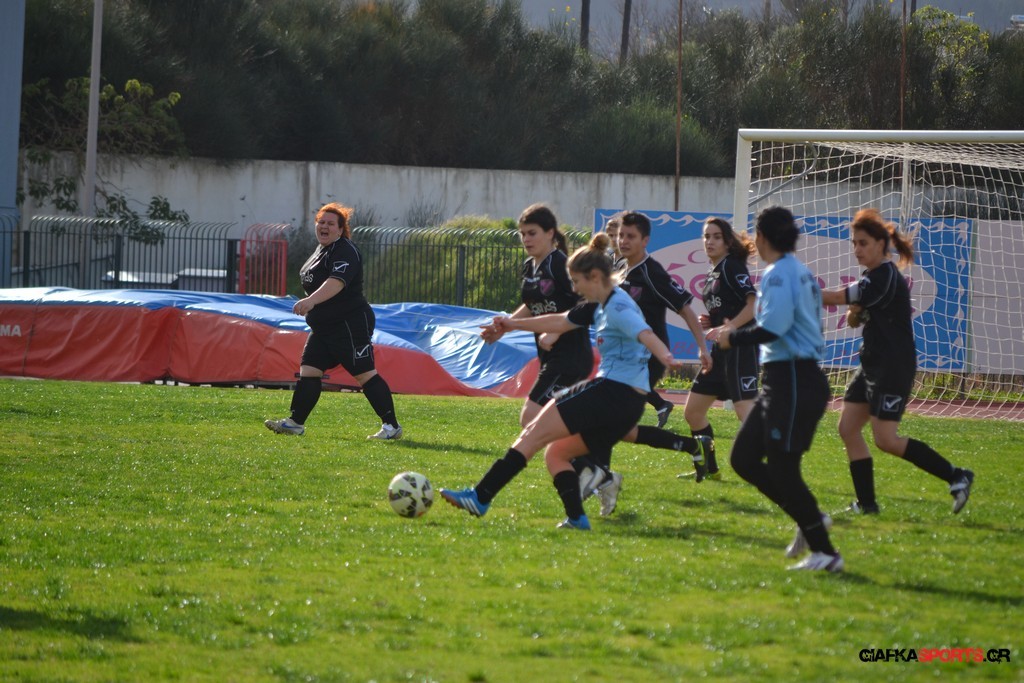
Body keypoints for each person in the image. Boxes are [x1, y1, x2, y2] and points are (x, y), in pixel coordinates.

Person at [440, 232, 686, 531]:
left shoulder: (617, 307)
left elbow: (644, 332)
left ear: (594, 277)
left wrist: (665, 355)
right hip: (627, 402)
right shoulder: (602, 302)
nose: (574, 288)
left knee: (532, 433)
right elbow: (561, 320)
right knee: (557, 454)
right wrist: (512, 323)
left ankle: (480, 497)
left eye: (577, 281)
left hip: (613, 393)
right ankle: (577, 519)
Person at [707, 206, 842, 572]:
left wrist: (732, 337)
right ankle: (809, 517)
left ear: (762, 237)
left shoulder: (780, 274)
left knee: (783, 469)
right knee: (743, 459)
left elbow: (774, 329)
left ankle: (825, 551)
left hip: (795, 379)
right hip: (783, 380)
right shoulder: (795, 270)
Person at [820, 208, 974, 515]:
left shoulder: (884, 277)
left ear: (881, 244)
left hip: (892, 366)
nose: (857, 249)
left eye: (863, 243)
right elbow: (853, 318)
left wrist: (798, 288)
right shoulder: (871, 277)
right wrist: (856, 312)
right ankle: (867, 504)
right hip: (871, 364)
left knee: (886, 440)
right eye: (854, 243)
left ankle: (957, 476)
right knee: (848, 428)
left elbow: (837, 298)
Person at [264, 202, 403, 440]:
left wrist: (311, 301)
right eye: (321, 222)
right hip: (323, 327)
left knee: (364, 374)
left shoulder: (345, 250)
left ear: (341, 229)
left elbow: (336, 282)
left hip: (349, 323)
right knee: (309, 371)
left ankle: (392, 427)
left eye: (330, 223)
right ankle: (295, 423)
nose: (324, 226)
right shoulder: (321, 250)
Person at [480, 204, 594, 430]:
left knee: (531, 417)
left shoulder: (560, 264)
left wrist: (556, 331)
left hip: (571, 357)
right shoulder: (529, 267)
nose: (526, 239)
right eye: (522, 234)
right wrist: (504, 327)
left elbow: (587, 302)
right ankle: (591, 448)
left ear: (550, 233)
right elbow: (533, 304)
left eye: (532, 233)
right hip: (550, 356)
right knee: (561, 423)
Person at [678, 217, 760, 481]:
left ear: (727, 242)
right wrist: (712, 321)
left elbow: (753, 305)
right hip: (720, 352)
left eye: (716, 236)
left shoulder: (732, 266)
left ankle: (778, 463)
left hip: (740, 349)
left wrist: (729, 327)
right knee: (693, 413)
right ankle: (710, 470)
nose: (709, 241)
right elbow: (727, 308)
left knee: (745, 414)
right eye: (706, 236)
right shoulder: (714, 270)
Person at [614, 212, 712, 430]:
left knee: (617, 415)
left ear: (645, 240)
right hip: (624, 353)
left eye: (631, 236)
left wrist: (703, 348)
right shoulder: (621, 268)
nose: (623, 241)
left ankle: (683, 442)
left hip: (649, 356)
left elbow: (685, 309)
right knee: (616, 419)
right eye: (621, 235)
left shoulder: (651, 273)